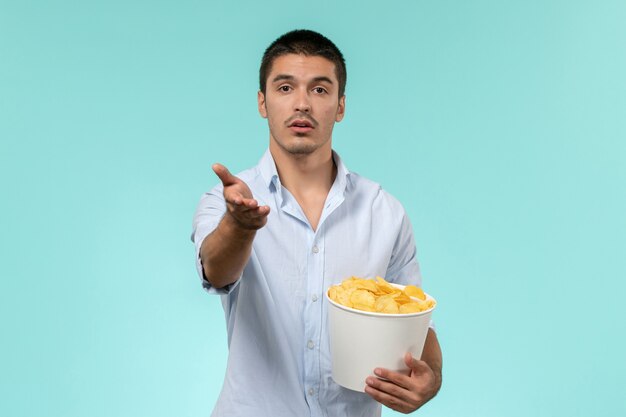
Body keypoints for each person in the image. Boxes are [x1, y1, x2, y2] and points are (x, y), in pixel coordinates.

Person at [191, 29, 442, 416]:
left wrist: (432, 378)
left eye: (320, 90)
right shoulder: (228, 201)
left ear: (341, 106)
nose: (302, 104)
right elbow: (217, 271)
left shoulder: (385, 212)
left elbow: (414, 322)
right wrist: (239, 225)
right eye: (285, 87)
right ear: (263, 101)